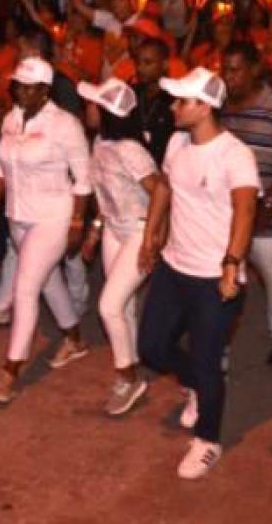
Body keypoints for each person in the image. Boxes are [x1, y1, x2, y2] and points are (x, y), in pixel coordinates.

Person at [138, 66, 259, 479]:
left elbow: (245, 210)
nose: (173, 107)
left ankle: (208, 440)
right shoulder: (175, 142)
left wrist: (231, 264)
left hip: (213, 277)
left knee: (209, 364)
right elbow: (166, 188)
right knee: (151, 348)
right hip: (174, 266)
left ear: (205, 107)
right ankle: (196, 386)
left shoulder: (235, 155)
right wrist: (150, 234)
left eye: (181, 101)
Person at [0, 56, 93, 403]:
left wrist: (78, 223)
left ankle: (11, 370)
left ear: (46, 90)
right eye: (18, 85)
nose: (23, 93)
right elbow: (2, 167)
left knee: (26, 288)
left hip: (53, 216)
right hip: (17, 216)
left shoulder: (65, 124)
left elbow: (85, 179)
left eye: (31, 88)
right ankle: (75, 338)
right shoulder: (11, 118)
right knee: (49, 283)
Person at [77, 77, 168, 415]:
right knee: (123, 306)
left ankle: (127, 378)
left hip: (139, 230)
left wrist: (150, 240)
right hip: (116, 229)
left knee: (109, 305)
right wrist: (96, 229)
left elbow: (162, 189)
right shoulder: (100, 143)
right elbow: (105, 192)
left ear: (106, 112)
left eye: (92, 104)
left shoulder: (130, 149)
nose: (87, 108)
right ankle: (133, 367)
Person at [220, 42, 272, 366]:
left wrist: (270, 201)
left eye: (235, 69)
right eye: (225, 69)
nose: (229, 77)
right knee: (228, 273)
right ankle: (220, 341)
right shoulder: (224, 106)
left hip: (270, 207)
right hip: (232, 210)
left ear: (255, 69)